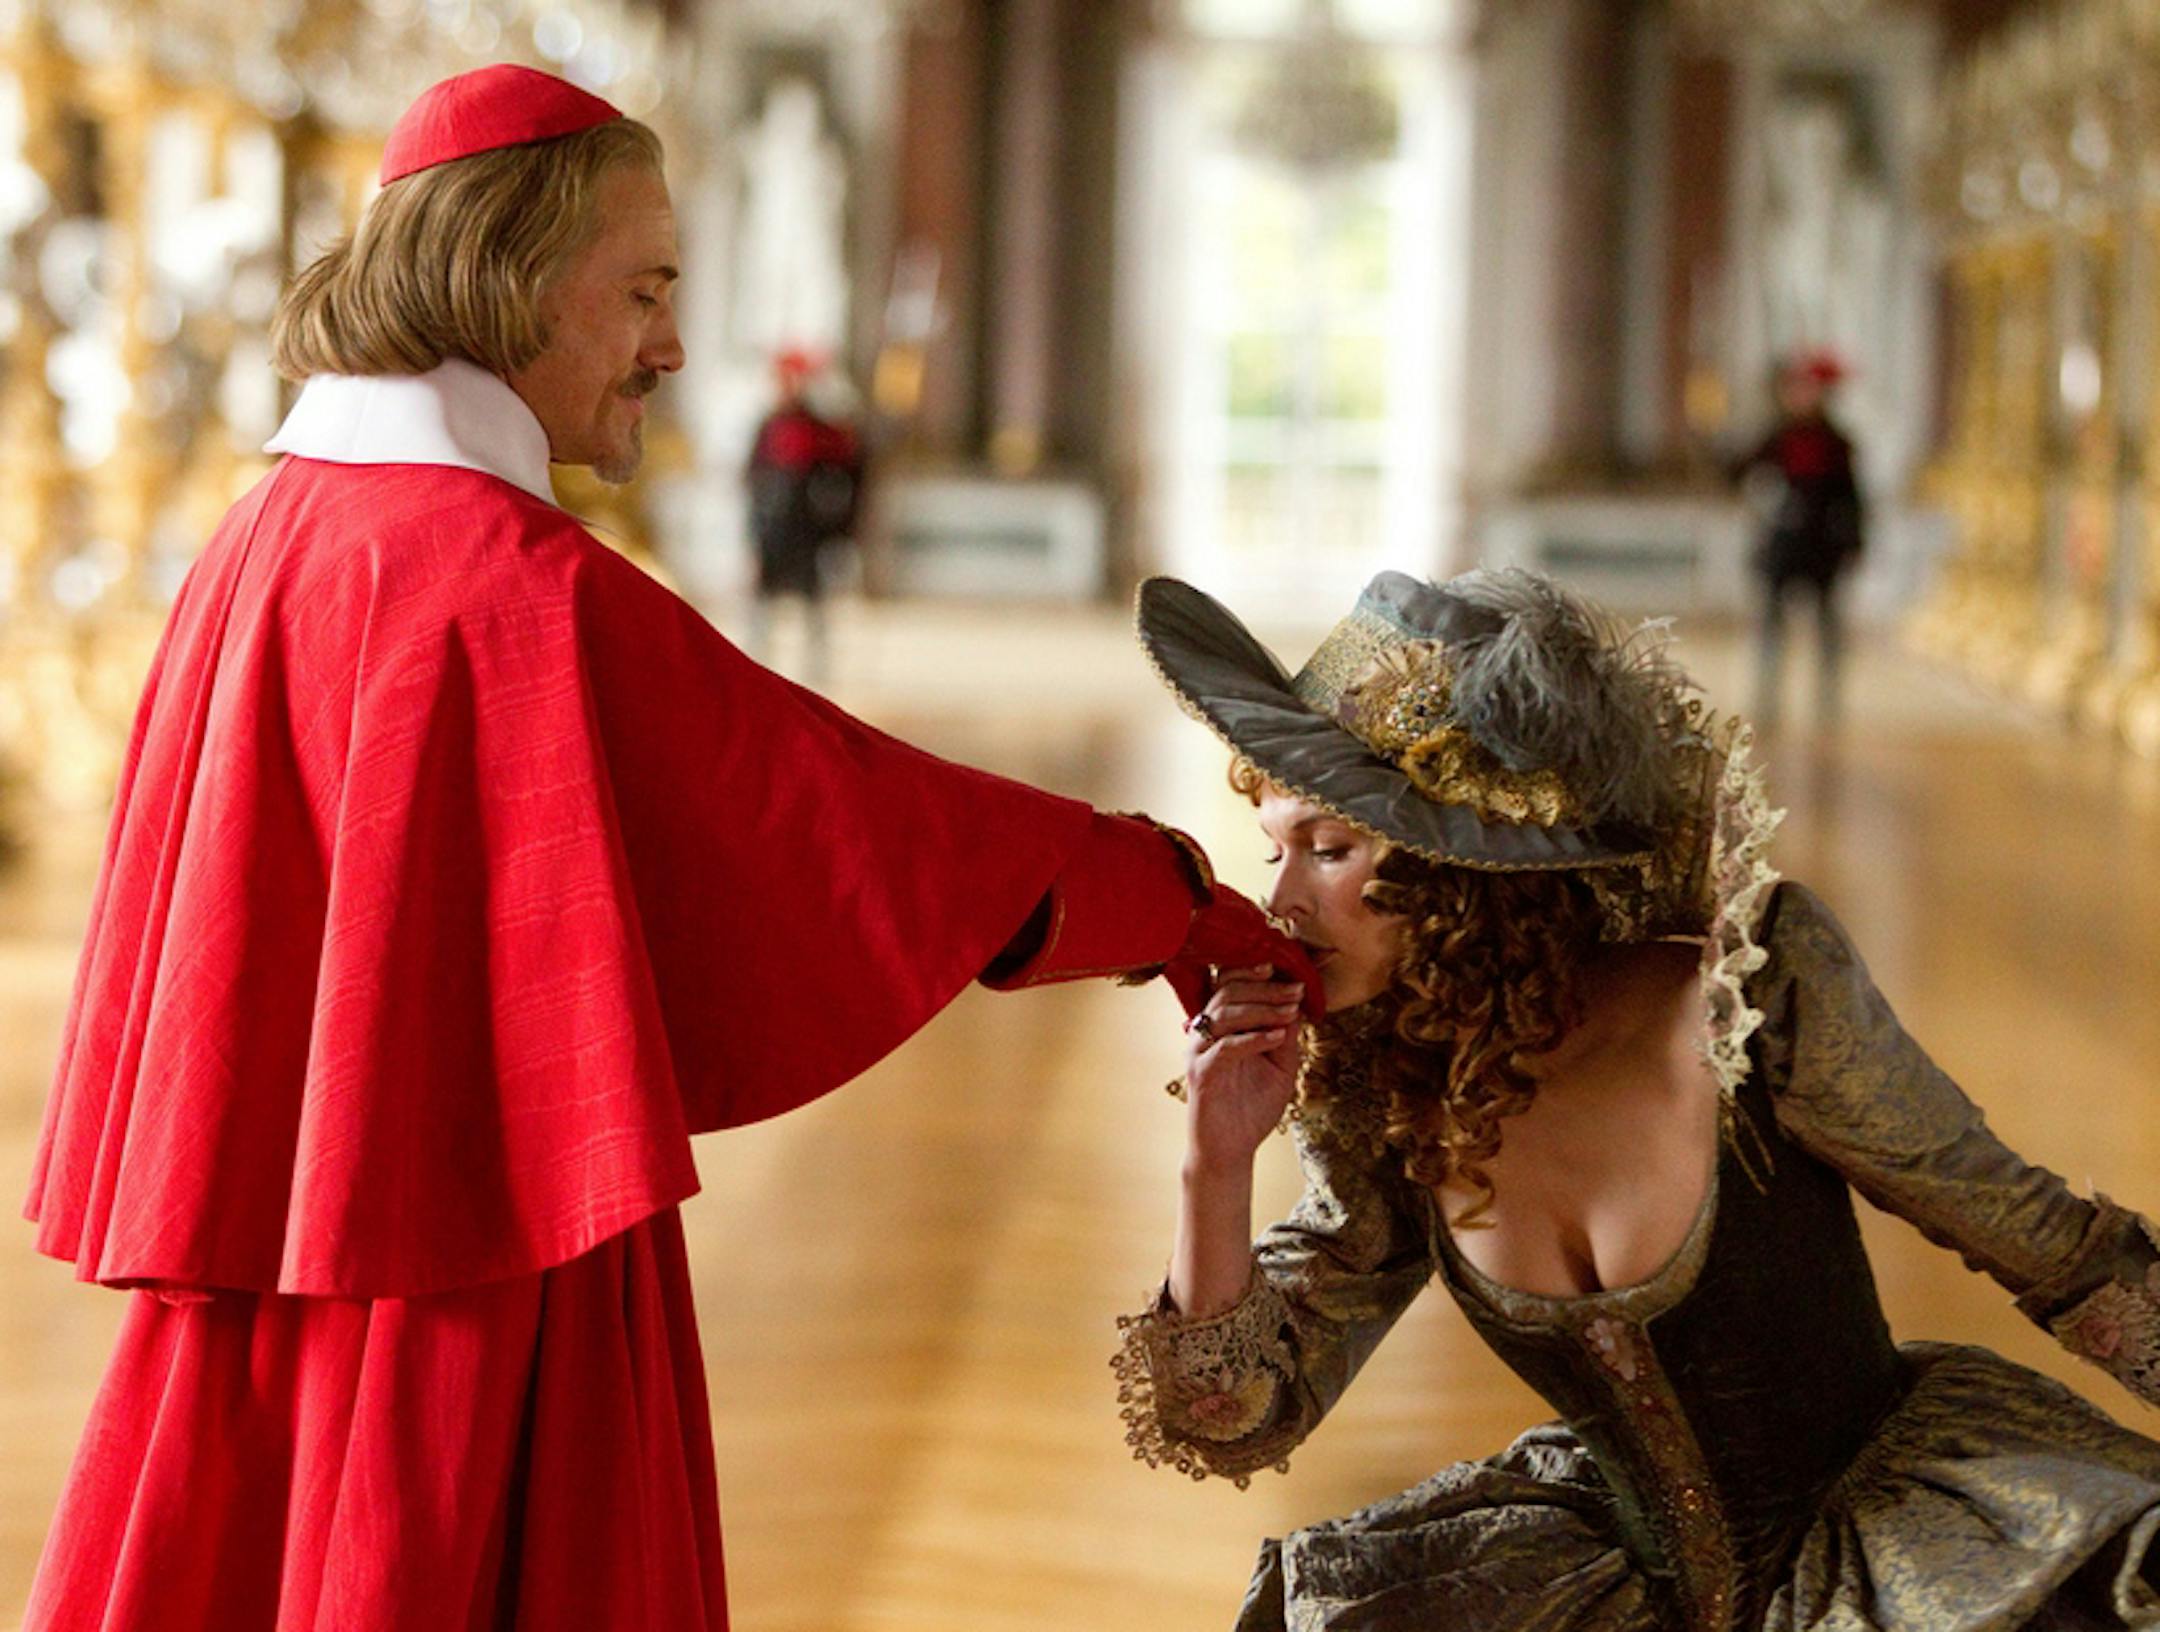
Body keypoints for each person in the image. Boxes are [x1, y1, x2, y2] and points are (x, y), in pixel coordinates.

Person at [19, 66, 1315, 1632]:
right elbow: (846, 831)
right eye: (642, 291)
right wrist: (1171, 904)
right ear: (505, 277)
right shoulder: (512, 585)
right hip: (489, 1276)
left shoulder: (266, 535)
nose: (673, 345)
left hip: (269, 1272)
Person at [1113, 566, 2160, 1631]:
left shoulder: (1745, 1001)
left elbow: (2048, 1247)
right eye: (1272, 850)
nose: (1279, 901)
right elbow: (1230, 1417)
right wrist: (1218, 1162)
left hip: (1914, 1570)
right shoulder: (1389, 1096)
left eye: (1329, 851)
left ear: (1461, 865)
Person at [1733, 349, 1866, 729]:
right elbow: (1742, 471)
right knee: (1772, 625)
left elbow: (1852, 498)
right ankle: (1768, 699)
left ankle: (1827, 701)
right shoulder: (1777, 435)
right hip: (1784, 542)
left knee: (1827, 626)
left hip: (1823, 544)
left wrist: (1855, 542)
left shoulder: (1837, 442)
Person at [745, 347, 862, 682]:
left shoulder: (825, 430)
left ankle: (818, 668)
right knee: (763, 602)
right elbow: (754, 477)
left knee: (815, 602)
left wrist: (841, 523)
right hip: (771, 526)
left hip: (809, 528)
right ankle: (756, 662)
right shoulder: (768, 426)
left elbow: (851, 473)